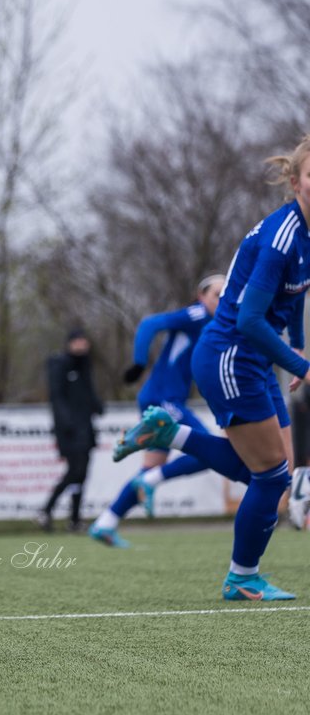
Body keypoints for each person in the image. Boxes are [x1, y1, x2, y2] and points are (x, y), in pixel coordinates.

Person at [115, 134, 310, 601]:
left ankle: (172, 435)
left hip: (253, 359)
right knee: (271, 477)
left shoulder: (306, 233)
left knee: (271, 477)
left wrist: (297, 348)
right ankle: (241, 577)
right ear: (297, 180)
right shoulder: (284, 238)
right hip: (231, 357)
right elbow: (247, 318)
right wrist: (300, 360)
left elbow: (296, 298)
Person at [88, 276, 224, 547]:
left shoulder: (217, 323)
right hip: (163, 400)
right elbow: (149, 323)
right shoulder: (196, 314)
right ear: (201, 296)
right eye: (216, 294)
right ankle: (150, 481)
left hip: (167, 400)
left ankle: (105, 523)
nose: (221, 300)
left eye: (227, 293)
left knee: (150, 469)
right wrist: (138, 363)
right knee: (211, 452)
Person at [36, 329, 104, 532]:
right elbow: (57, 397)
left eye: (85, 341)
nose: (82, 345)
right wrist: (66, 422)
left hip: (85, 427)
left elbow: (88, 391)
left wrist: (96, 405)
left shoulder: (85, 365)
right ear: (69, 343)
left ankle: (74, 519)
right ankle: (46, 511)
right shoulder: (59, 364)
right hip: (70, 430)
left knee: (81, 474)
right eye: (78, 341)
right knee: (75, 471)